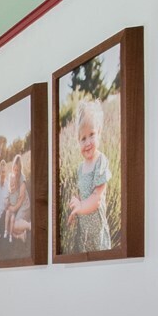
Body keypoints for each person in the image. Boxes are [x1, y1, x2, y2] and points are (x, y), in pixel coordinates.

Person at [64, 98, 112, 253]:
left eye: (91, 135)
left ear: (99, 132)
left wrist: (81, 208)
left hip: (98, 234)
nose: (87, 142)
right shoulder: (80, 168)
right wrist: (74, 207)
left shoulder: (101, 161)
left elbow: (97, 198)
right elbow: (81, 195)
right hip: (84, 234)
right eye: (83, 138)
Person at [5, 157, 31, 252]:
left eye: (18, 170)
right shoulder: (11, 177)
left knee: (14, 226)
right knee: (7, 227)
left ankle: (29, 225)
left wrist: (13, 208)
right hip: (17, 207)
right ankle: (21, 236)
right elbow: (9, 193)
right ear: (12, 168)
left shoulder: (22, 179)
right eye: (14, 169)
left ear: (20, 169)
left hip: (24, 206)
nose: (16, 172)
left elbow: (21, 199)